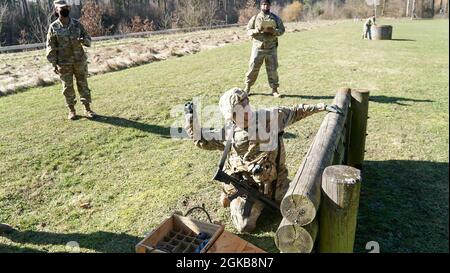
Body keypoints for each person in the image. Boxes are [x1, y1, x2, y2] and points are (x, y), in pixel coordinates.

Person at [184, 88, 342, 232]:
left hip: (277, 183)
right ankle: (231, 198)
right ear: (231, 115)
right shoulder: (228, 134)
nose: (247, 110)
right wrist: (191, 120)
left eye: (247, 104)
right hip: (249, 191)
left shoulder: (270, 118)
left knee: (303, 209)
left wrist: (322, 106)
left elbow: (295, 112)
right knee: (245, 226)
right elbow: (202, 141)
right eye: (240, 109)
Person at [46, 0, 96, 120]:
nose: (65, 10)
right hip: (63, 64)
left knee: (83, 84)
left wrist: (83, 40)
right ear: (57, 10)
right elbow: (50, 47)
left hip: (79, 61)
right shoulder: (54, 27)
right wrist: (53, 64)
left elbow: (88, 39)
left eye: (66, 8)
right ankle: (72, 111)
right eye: (62, 8)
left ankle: (87, 109)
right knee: (67, 87)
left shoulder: (77, 24)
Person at [244, 0, 285, 98]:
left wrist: (274, 31)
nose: (265, 6)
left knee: (273, 70)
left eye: (267, 4)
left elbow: (282, 30)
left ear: (269, 6)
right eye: (263, 4)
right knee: (253, 68)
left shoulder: (275, 18)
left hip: (271, 48)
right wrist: (256, 30)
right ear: (261, 6)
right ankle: (247, 87)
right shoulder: (255, 18)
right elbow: (248, 30)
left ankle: (274, 90)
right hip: (258, 48)